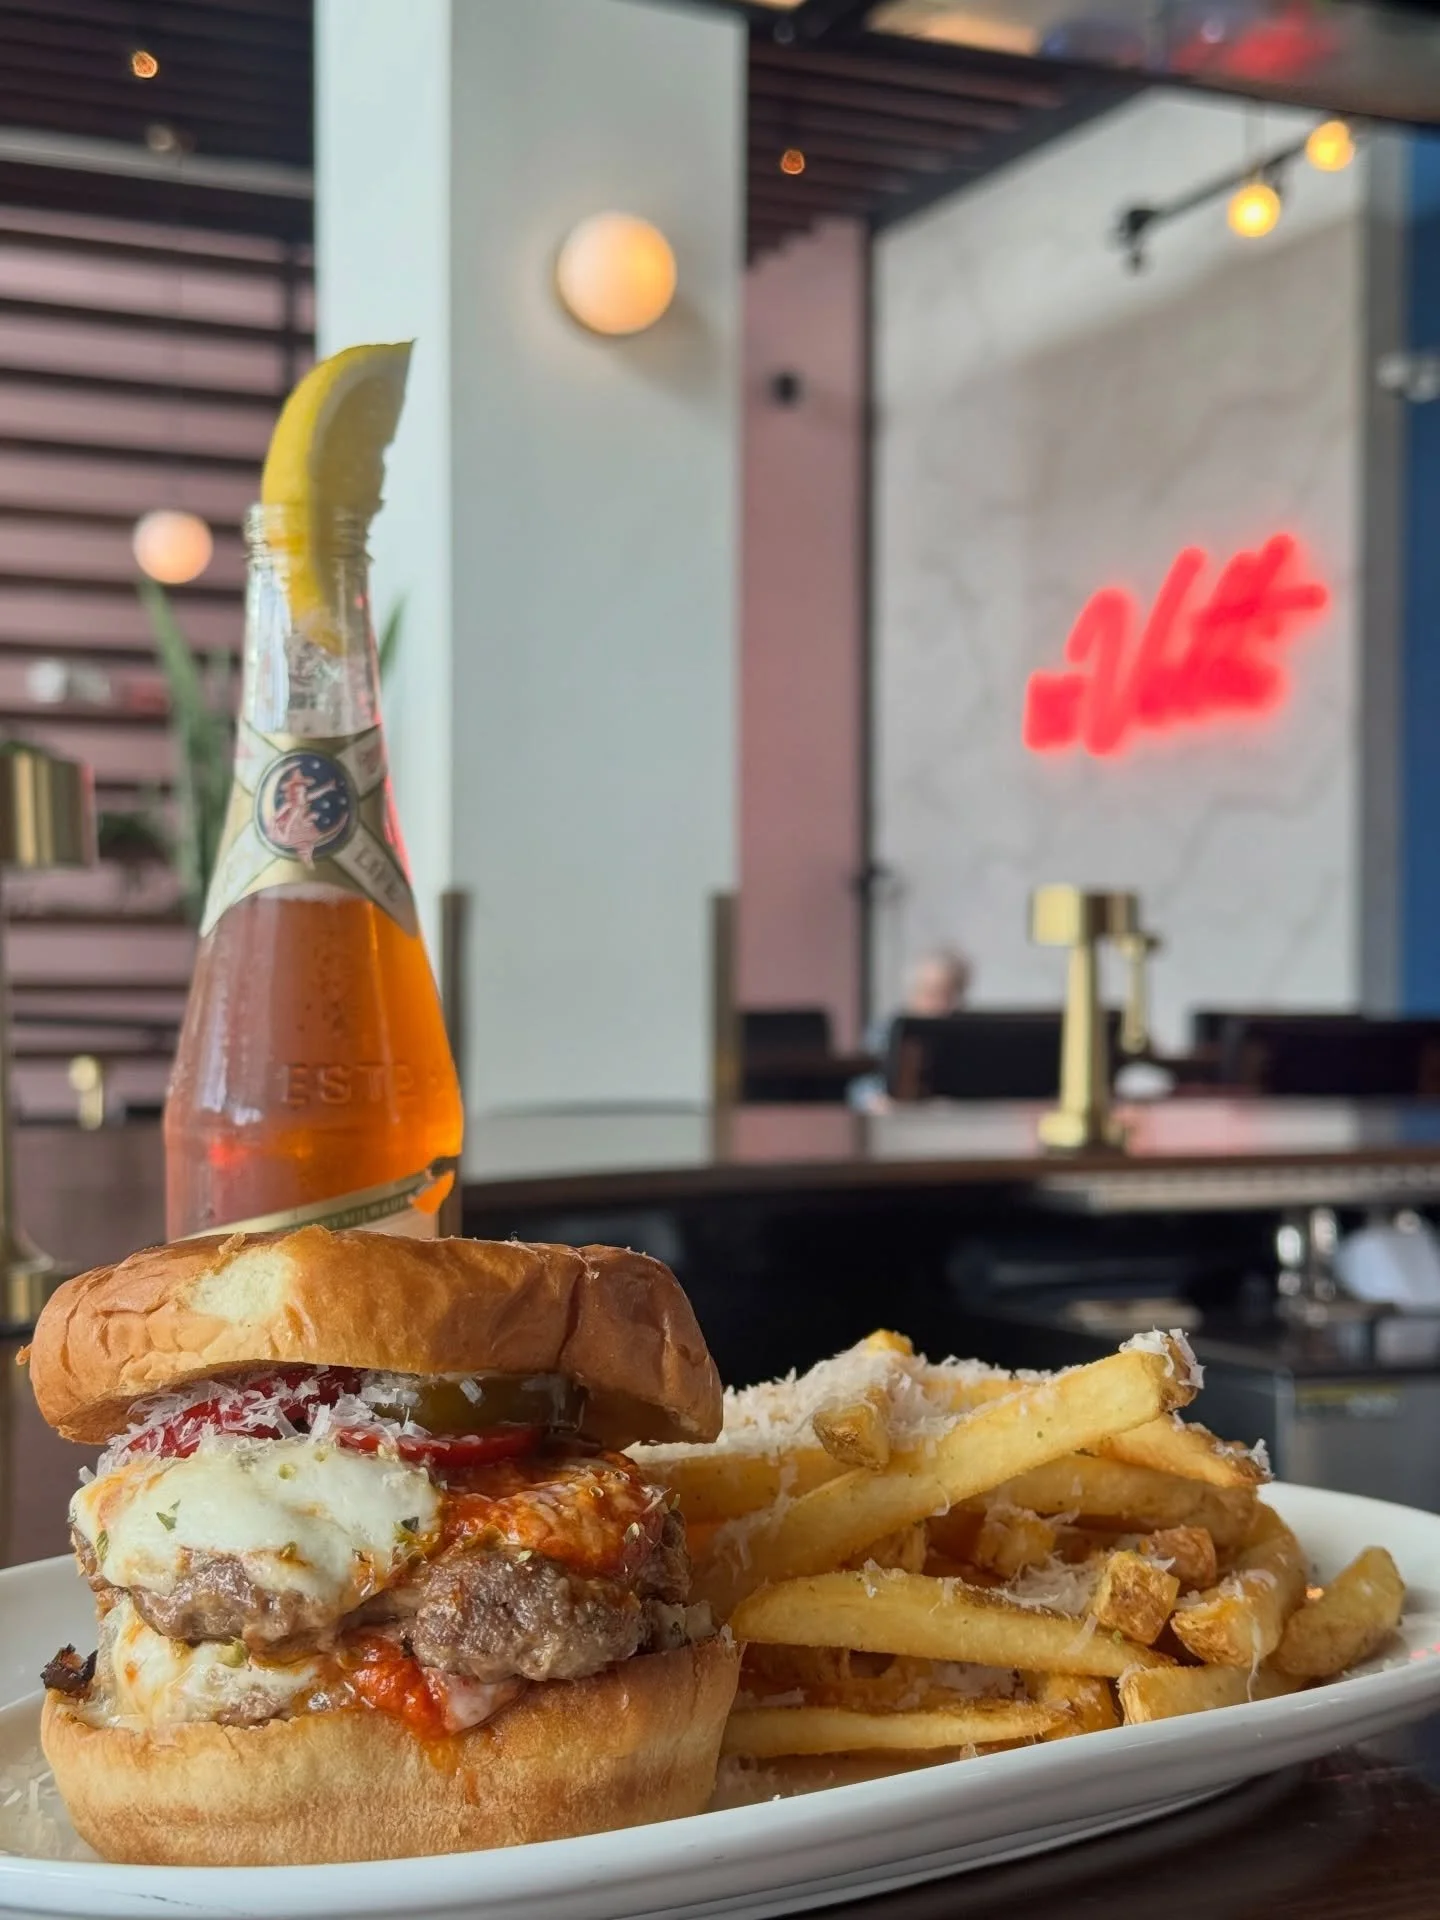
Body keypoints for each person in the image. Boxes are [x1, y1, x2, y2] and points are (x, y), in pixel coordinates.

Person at [849, 947, 972, 1112]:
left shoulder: (969, 1034)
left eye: (947, 994)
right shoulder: (887, 1031)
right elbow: (860, 1087)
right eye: (930, 993)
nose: (939, 1004)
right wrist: (879, 1103)